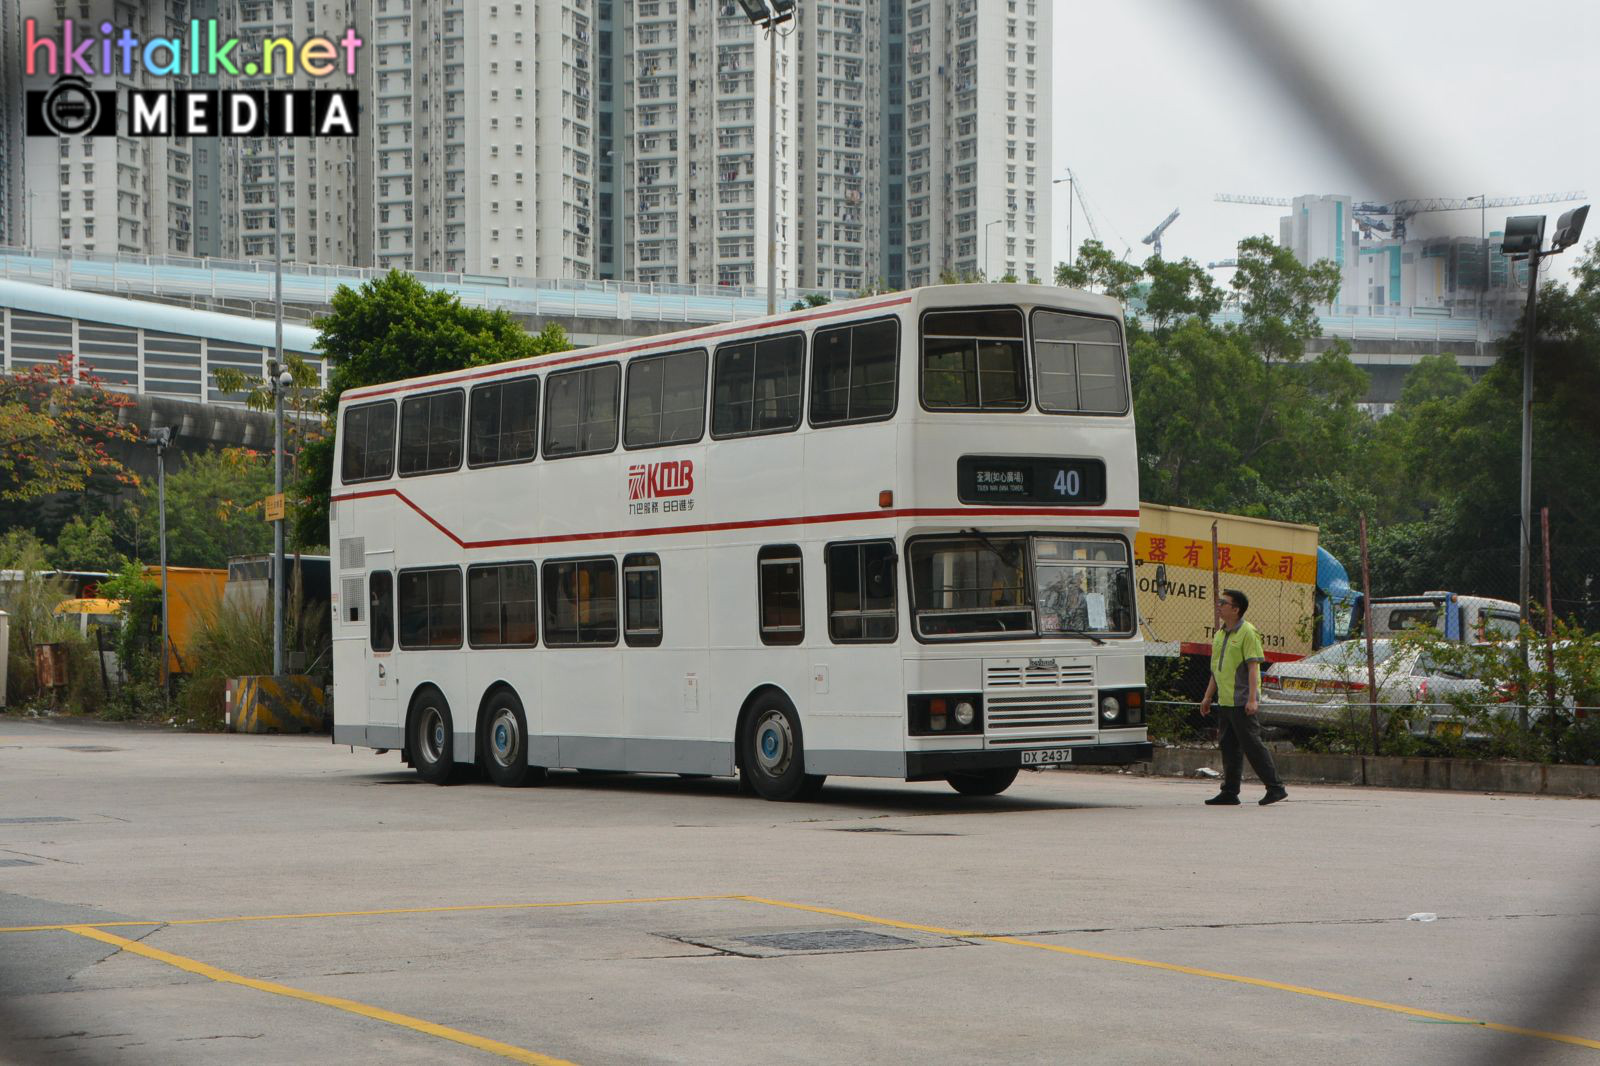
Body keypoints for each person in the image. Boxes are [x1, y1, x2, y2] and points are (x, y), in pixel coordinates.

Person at [1198, 588, 1287, 806]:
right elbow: (1216, 670)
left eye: (1224, 603)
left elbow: (1253, 667)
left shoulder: (1248, 632)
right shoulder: (1220, 634)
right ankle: (1229, 791)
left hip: (1241, 700)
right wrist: (1208, 697)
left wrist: (1252, 698)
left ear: (1236, 609)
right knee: (1228, 747)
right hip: (1225, 700)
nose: (1219, 606)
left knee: (1252, 745)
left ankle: (1275, 788)